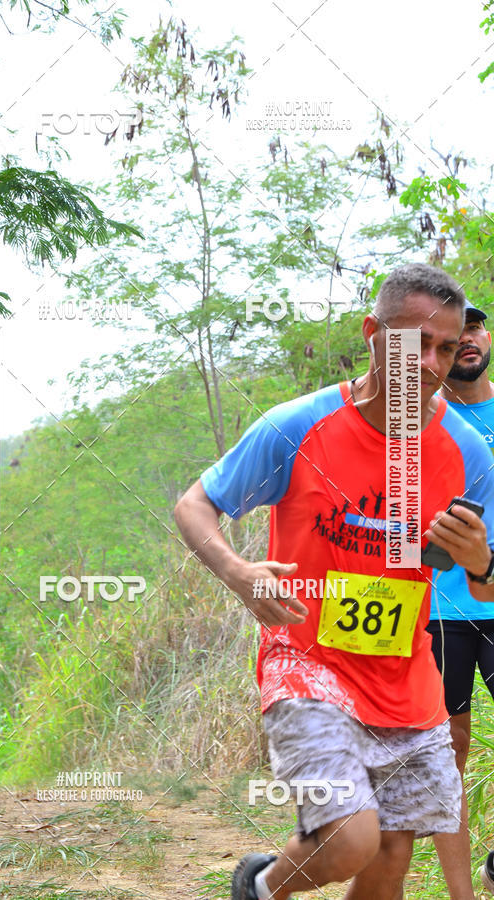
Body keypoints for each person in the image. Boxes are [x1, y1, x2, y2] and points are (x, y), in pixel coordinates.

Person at [174, 263, 494, 900]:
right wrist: (239, 573)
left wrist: (482, 564)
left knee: (391, 856)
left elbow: (485, 591)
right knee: (352, 839)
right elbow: (194, 505)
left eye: (444, 348)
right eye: (414, 342)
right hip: (307, 662)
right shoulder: (298, 426)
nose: (429, 363)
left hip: (405, 673)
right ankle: (262, 884)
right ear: (373, 333)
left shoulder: (466, 453)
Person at [424, 303, 494, 898]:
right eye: (454, 335)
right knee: (453, 750)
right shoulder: (422, 421)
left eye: (475, 327)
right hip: (440, 613)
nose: (467, 340)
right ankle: (461, 892)